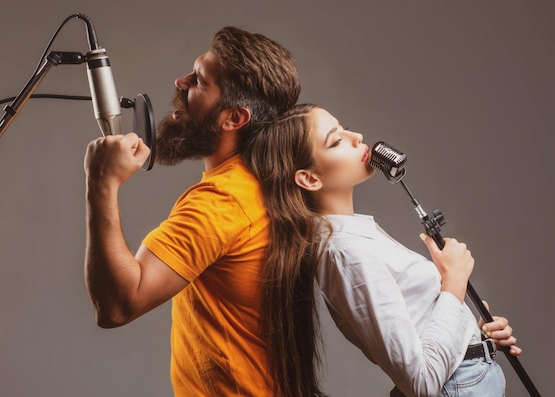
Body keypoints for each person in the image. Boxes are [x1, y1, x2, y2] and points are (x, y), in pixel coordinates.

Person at [83, 28, 325, 396]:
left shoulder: (221, 201)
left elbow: (118, 305)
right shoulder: (261, 184)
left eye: (198, 81)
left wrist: (101, 183)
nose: (179, 82)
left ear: (233, 119)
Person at [242, 103, 521, 397]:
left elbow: (421, 331)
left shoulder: (356, 235)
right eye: (336, 141)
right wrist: (454, 283)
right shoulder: (346, 253)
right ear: (310, 178)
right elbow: (421, 383)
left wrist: (474, 335)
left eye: (345, 127)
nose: (357, 136)